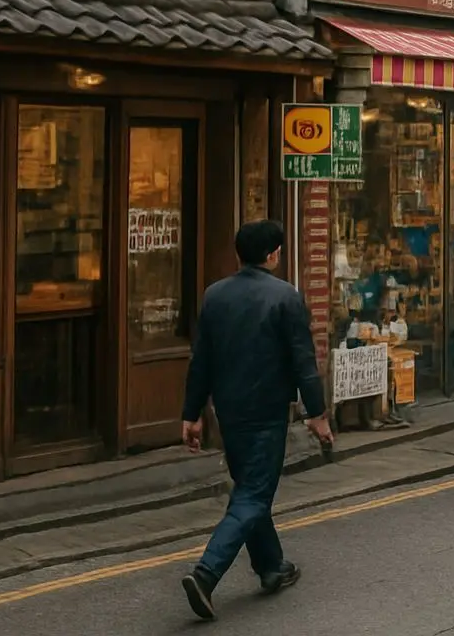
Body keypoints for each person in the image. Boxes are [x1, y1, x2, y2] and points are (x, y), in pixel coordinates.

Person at [179, 220, 334, 620]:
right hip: (267, 413)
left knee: (250, 488)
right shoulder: (286, 297)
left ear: (239, 254)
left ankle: (271, 566)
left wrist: (192, 414)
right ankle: (206, 573)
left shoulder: (215, 295)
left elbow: (201, 361)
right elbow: (303, 363)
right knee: (253, 495)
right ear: (272, 255)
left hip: (228, 412)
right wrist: (317, 415)